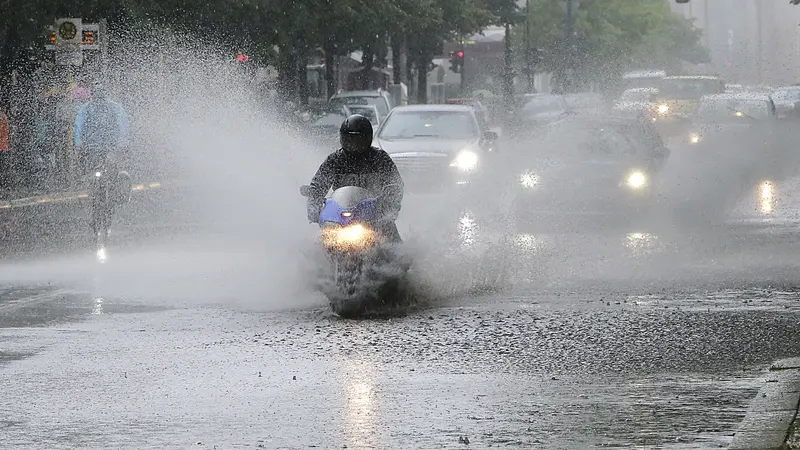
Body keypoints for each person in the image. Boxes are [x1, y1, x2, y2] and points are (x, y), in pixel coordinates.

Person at [306, 114, 404, 243]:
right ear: (342, 138)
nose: (354, 144)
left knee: (397, 250)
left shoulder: (380, 158)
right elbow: (318, 185)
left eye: (359, 140)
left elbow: (395, 183)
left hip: (375, 216)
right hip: (341, 218)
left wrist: (389, 205)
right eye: (350, 139)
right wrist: (314, 206)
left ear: (368, 138)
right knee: (317, 245)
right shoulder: (335, 160)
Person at [73, 82, 133, 221]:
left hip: (110, 148)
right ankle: (93, 198)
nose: (99, 101)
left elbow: (123, 126)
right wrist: (79, 144)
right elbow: (78, 127)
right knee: (91, 176)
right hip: (91, 149)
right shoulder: (86, 109)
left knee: (112, 173)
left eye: (101, 98)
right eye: (96, 98)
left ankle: (112, 194)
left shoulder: (114, 108)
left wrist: (121, 144)